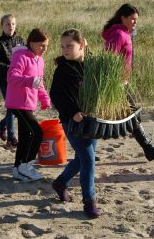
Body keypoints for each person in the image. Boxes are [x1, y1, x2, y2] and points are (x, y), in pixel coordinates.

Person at [102, 3, 154, 161]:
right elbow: (109, 58)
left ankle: (148, 148)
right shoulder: (119, 34)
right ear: (123, 18)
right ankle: (148, 148)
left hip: (122, 81)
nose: (135, 22)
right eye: (132, 19)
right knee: (124, 116)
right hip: (117, 83)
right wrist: (114, 82)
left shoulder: (124, 33)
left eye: (136, 19)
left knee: (130, 115)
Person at [50, 29, 102, 219]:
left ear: (81, 45)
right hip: (72, 122)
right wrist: (73, 113)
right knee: (88, 160)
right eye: (63, 46)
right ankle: (89, 203)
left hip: (92, 120)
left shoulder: (91, 64)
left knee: (82, 159)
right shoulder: (62, 68)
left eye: (69, 46)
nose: (65, 49)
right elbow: (55, 96)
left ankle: (60, 182)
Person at [5, 28, 51, 181]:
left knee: (25, 137)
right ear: (31, 43)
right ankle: (27, 165)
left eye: (46, 46)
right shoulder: (21, 56)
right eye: (41, 45)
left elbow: (40, 83)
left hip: (29, 103)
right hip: (17, 102)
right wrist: (30, 81)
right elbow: (12, 77)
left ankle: (17, 169)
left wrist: (45, 99)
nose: (44, 49)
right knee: (37, 132)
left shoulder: (40, 60)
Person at [0, 14, 24, 150]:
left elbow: (26, 56)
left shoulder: (21, 40)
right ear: (2, 26)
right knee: (11, 108)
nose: (11, 27)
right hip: (5, 81)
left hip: (19, 80)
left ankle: (1, 125)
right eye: (8, 24)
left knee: (16, 109)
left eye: (13, 24)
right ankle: (11, 138)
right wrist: (9, 67)